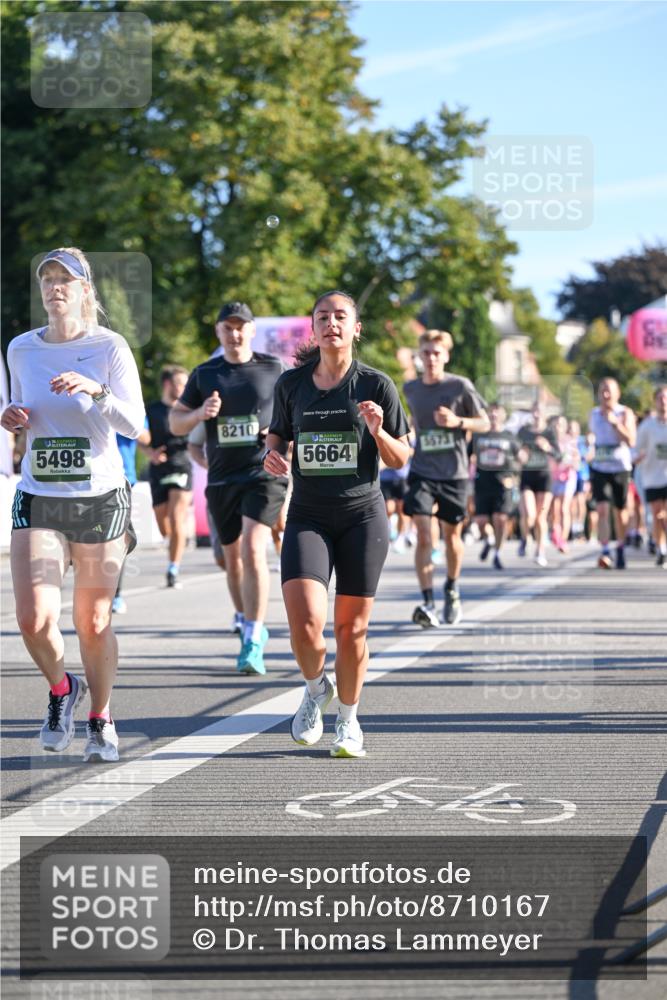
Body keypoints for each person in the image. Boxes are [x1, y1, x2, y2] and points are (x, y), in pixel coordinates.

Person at [1, 247, 145, 762]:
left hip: (98, 499)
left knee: (92, 621)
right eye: (48, 279)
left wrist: (97, 389)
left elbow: (136, 426)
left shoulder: (109, 346)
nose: (55, 287)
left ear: (86, 291)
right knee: (33, 619)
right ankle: (63, 689)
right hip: (39, 493)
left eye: (66, 279)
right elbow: (17, 408)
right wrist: (11, 415)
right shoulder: (21, 348)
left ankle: (101, 717)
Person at [264, 290, 410, 758]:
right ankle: (314, 689)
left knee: (352, 631)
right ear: (313, 328)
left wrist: (378, 430)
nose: (331, 323)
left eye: (340, 316)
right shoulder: (291, 385)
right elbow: (278, 436)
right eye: (322, 316)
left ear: (355, 327)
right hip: (307, 513)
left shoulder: (377, 385)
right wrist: (274, 456)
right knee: (305, 625)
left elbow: (401, 457)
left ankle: (347, 719)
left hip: (362, 516)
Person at [170, 302, 287, 675]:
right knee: (231, 559)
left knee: (254, 550)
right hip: (222, 478)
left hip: (263, 474)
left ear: (252, 330)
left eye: (241, 327)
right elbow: (176, 423)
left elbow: (294, 416)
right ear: (218, 332)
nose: (235, 334)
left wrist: (280, 439)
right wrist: (199, 414)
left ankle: (254, 636)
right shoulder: (205, 374)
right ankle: (244, 617)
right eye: (227, 327)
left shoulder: (274, 368)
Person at [403, 329, 489, 627]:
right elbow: (415, 422)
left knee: (452, 537)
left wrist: (458, 421)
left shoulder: (460, 386)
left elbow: (486, 422)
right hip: (422, 470)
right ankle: (427, 602)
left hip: (454, 472)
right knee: (424, 534)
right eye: (426, 353)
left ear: (446, 356)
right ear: (420, 355)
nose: (431, 359)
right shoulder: (411, 388)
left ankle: (451, 587)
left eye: (436, 353)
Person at [142, 365, 192, 588]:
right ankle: (176, 542)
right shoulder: (151, 410)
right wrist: (149, 453)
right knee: (164, 527)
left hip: (181, 465)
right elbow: (138, 436)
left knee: (176, 517)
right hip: (158, 469)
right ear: (167, 384)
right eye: (181, 383)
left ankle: (173, 568)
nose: (184, 388)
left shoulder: (188, 410)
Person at [588, 377, 637, 570]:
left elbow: (631, 441)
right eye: (602, 390)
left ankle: (620, 547)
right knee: (601, 509)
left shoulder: (625, 412)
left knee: (620, 511)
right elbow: (592, 437)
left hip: (620, 467)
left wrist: (616, 423)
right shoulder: (593, 414)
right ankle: (605, 549)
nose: (605, 394)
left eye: (609, 390)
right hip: (600, 467)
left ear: (617, 393)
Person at [472, 402, 522, 571]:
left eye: (497, 413)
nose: (493, 416)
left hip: (503, 483)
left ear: (503, 416)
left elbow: (521, 458)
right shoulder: (478, 435)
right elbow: (466, 454)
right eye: (491, 412)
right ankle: (489, 540)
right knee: (481, 521)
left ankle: (497, 554)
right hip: (483, 481)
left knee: (500, 519)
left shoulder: (510, 437)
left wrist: (514, 476)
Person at [518, 403, 559, 567]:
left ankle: (540, 551)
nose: (536, 414)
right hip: (527, 476)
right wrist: (520, 455)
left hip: (544, 477)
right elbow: (514, 449)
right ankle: (524, 537)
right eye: (534, 411)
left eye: (540, 411)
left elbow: (558, 454)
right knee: (529, 514)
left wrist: (547, 447)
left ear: (545, 414)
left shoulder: (549, 432)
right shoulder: (524, 431)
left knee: (541, 516)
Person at [635, 385, 667, 568]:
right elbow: (637, 448)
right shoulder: (647, 426)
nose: (663, 401)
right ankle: (660, 548)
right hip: (652, 476)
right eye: (660, 398)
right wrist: (638, 457)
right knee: (657, 514)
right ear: (655, 401)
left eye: (666, 397)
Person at [548, 414, 580, 553]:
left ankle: (563, 539)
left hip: (568, 477)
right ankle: (555, 532)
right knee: (554, 510)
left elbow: (576, 461)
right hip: (553, 478)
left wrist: (569, 462)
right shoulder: (549, 441)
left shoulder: (570, 441)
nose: (557, 427)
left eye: (560, 424)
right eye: (555, 424)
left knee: (564, 508)